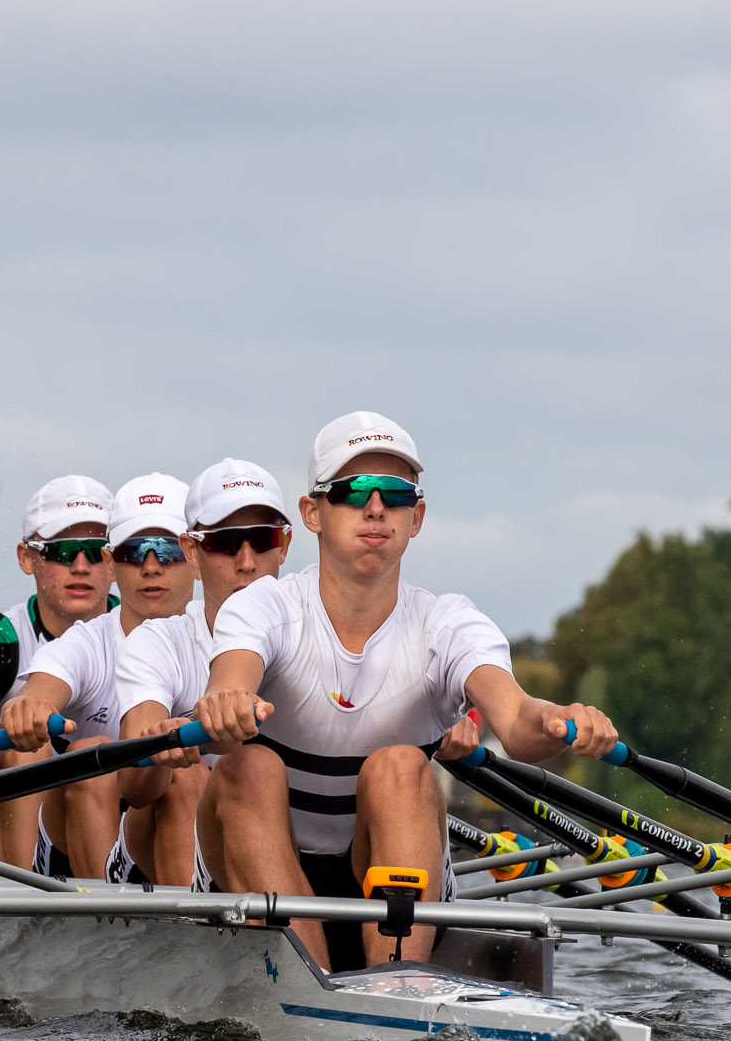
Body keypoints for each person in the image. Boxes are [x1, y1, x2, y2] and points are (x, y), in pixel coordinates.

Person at [193, 412, 618, 971]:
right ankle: (306, 978)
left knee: (400, 767)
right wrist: (227, 702)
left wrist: (557, 720)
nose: (375, 507)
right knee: (247, 767)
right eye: (352, 492)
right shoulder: (265, 606)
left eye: (394, 494)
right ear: (312, 513)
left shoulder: (448, 623)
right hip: (258, 875)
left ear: (415, 517)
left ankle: (397, 985)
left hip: (392, 877)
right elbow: (232, 680)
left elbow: (517, 723)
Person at [0, 474, 195, 882]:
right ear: (111, 563)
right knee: (93, 752)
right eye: (134, 552)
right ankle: (77, 914)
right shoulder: (86, 642)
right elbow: (40, 689)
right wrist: (26, 708)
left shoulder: (232, 640)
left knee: (189, 775)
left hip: (177, 817)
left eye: (167, 550)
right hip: (81, 828)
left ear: (193, 555)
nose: (152, 566)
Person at [111, 458, 296, 888]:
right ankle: (194, 947)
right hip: (167, 840)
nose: (247, 562)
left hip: (290, 838)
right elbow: (133, 787)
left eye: (262, 539)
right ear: (192, 552)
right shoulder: (156, 640)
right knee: (185, 775)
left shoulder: (318, 623)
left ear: (284, 545)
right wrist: (161, 749)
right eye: (226, 543)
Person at [0, 475, 115, 869]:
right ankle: (23, 897)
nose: (82, 566)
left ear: (115, 559)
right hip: (7, 828)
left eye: (95, 551)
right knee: (26, 743)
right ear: (27, 557)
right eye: (63, 551)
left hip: (112, 823)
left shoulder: (145, 633)